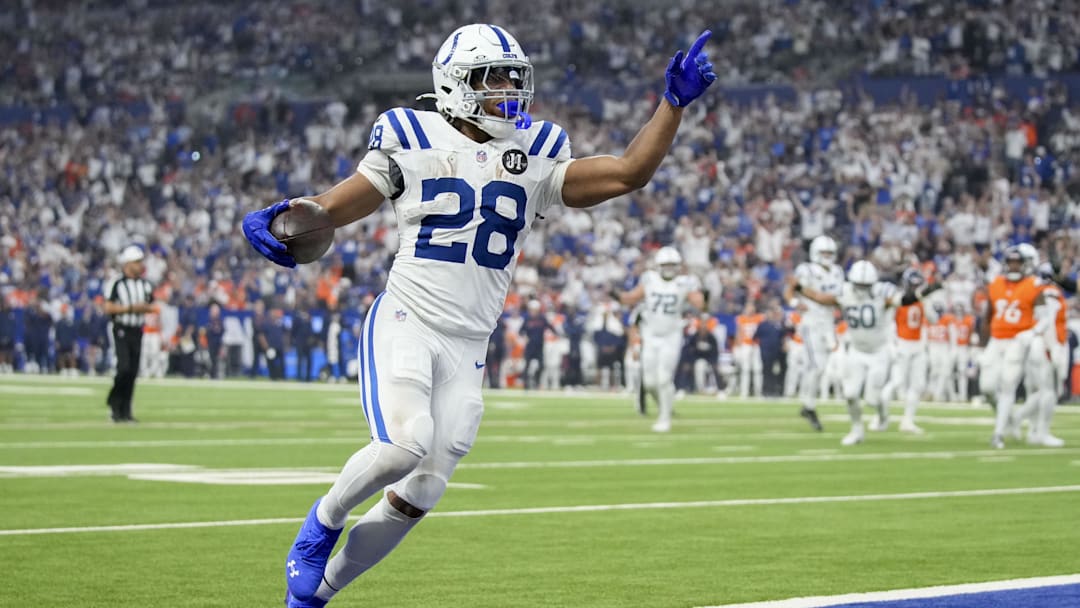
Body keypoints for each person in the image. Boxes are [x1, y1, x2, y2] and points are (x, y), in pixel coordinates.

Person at [241, 24, 716, 607]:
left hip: (470, 343)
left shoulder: (537, 150)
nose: (509, 91)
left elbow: (627, 172)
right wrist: (290, 214)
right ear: (455, 83)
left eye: (515, 78)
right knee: (402, 446)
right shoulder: (409, 134)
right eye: (495, 78)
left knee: (424, 491)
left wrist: (670, 106)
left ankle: (317, 596)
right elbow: (343, 204)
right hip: (409, 318)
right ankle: (323, 521)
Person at [792, 261, 935, 445]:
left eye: (865, 285)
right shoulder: (845, 292)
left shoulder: (882, 292)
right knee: (850, 394)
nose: (861, 289)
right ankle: (857, 430)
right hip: (856, 351)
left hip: (879, 352)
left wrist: (924, 293)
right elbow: (821, 298)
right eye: (858, 285)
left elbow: (903, 300)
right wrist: (799, 288)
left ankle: (883, 415)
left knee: (871, 399)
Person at [613, 246, 705, 432]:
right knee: (649, 382)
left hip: (671, 335)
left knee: (664, 379)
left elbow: (700, 303)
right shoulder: (649, 279)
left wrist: (701, 296)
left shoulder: (685, 282)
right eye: (665, 265)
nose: (669, 268)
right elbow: (631, 298)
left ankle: (665, 418)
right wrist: (616, 295)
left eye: (672, 265)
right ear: (658, 266)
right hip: (650, 334)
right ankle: (665, 406)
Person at [979, 247, 1046, 449]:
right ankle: (1007, 419)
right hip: (996, 341)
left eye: (1017, 262)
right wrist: (981, 344)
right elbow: (988, 316)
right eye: (1010, 262)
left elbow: (1044, 319)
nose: (1013, 266)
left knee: (1008, 385)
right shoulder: (996, 283)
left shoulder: (1034, 285)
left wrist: (1032, 333)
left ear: (1025, 264)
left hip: (1017, 341)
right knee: (987, 388)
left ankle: (998, 433)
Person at [783, 235, 845, 431]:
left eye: (829, 253)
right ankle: (808, 405)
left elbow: (838, 298)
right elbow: (790, 290)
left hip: (829, 322)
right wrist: (794, 303)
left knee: (824, 366)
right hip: (811, 321)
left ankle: (808, 404)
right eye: (823, 253)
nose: (827, 256)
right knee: (816, 366)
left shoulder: (837, 272)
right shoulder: (806, 270)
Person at [102, 245, 155, 423]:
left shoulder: (145, 284)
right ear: (128, 263)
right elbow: (108, 307)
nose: (140, 265)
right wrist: (131, 308)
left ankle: (126, 410)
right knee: (123, 367)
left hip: (137, 330)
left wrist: (144, 308)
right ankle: (114, 403)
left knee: (132, 371)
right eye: (137, 262)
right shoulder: (116, 283)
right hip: (121, 329)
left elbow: (152, 305)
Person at [880, 268, 934, 433]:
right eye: (913, 285)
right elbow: (888, 323)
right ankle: (880, 416)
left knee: (917, 385)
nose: (915, 288)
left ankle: (908, 421)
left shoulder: (923, 300)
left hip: (918, 345)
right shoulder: (898, 299)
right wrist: (892, 344)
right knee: (896, 382)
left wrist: (925, 302)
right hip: (901, 343)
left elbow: (933, 319)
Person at [733, 300, 764, 398]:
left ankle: (758, 392)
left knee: (758, 369)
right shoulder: (741, 318)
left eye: (752, 307)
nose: (750, 309)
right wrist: (737, 347)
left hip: (755, 345)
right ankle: (744, 392)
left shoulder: (759, 318)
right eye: (748, 307)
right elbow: (738, 332)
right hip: (745, 345)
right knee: (745, 369)